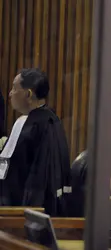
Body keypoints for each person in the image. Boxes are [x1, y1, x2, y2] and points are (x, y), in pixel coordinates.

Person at [0, 68, 71, 216]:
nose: (10, 93)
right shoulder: (49, 119)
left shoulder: (37, 125)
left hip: (24, 210)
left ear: (28, 94)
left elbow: (36, 177)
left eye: (14, 88)